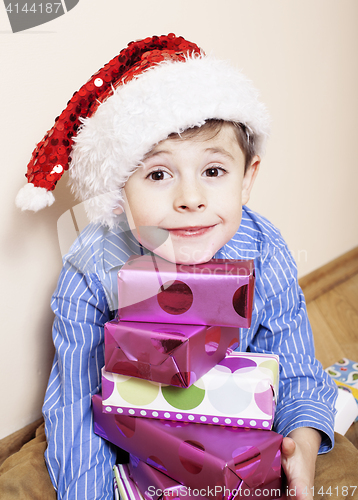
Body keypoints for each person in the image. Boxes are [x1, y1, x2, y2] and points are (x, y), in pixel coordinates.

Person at [15, 34, 342, 500]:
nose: (190, 200)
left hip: (238, 449)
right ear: (118, 195)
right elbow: (75, 406)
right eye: (157, 175)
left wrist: (302, 449)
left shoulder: (263, 247)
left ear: (247, 179)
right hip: (141, 455)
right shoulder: (92, 268)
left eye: (213, 171)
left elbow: (294, 366)